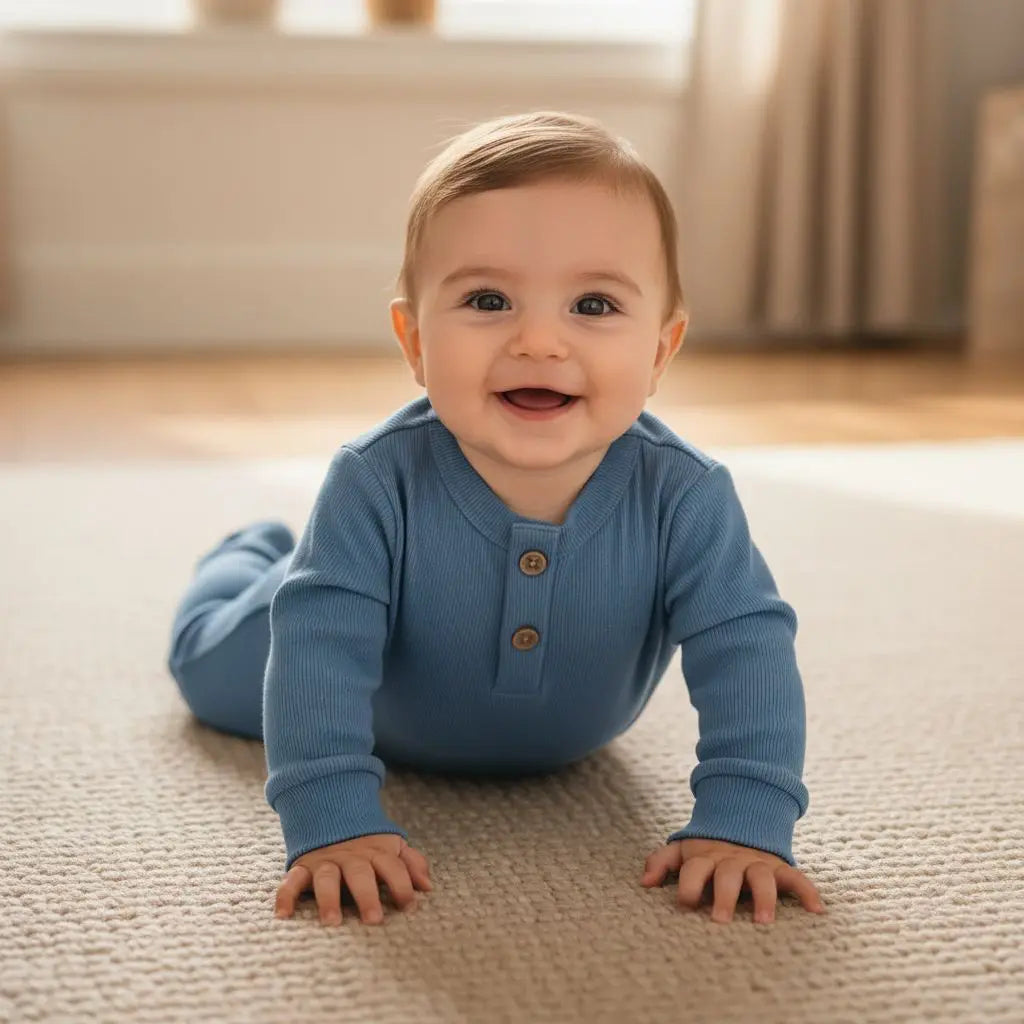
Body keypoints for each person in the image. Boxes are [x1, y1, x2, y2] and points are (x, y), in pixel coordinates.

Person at [166, 110, 826, 930]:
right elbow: (315, 653)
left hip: (567, 741)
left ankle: (275, 551)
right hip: (353, 687)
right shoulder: (374, 482)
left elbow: (747, 647)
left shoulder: (685, 495)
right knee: (201, 668)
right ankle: (248, 556)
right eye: (487, 299)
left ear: (661, 351)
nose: (539, 340)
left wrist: (747, 820)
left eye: (592, 304)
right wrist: (332, 822)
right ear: (414, 339)